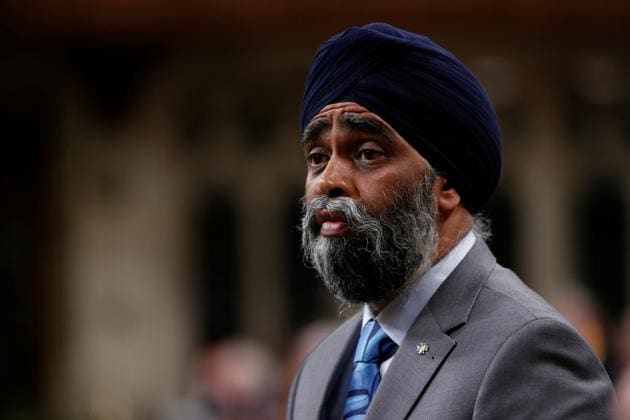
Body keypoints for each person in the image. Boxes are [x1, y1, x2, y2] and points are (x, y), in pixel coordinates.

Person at [286, 23, 614, 419]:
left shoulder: (530, 350)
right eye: (317, 158)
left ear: (447, 185)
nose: (329, 181)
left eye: (368, 153)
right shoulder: (319, 369)